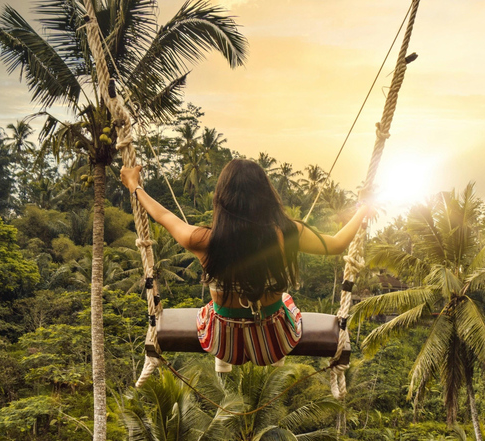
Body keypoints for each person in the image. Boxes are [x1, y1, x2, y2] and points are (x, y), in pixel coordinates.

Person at [121, 159, 374, 372]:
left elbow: (164, 216)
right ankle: (275, 358)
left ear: (221, 199)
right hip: (274, 343)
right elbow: (337, 244)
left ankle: (224, 361)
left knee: (213, 308)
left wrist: (135, 185)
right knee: (285, 300)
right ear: (266, 197)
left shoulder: (204, 240)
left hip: (223, 344)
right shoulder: (288, 233)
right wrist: (362, 210)